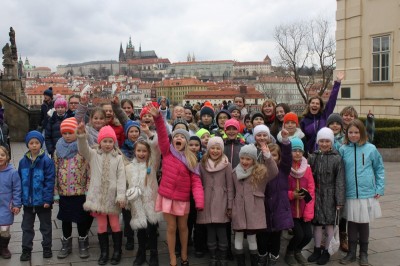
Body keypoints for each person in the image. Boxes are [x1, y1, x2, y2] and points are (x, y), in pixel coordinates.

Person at [148, 103, 204, 266]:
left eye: (182, 137)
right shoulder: (167, 151)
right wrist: (158, 118)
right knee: (171, 228)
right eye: (176, 136)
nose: (178, 139)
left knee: (184, 228)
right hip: (166, 196)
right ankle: (173, 257)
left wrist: (199, 201)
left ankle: (184, 255)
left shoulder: (191, 159)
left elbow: (196, 182)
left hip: (182, 199)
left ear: (186, 141)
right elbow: (163, 135)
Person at [77, 124, 126, 265]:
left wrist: (121, 196)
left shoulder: (118, 158)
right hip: (98, 197)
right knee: (102, 226)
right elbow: (83, 149)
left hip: (113, 198)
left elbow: (121, 178)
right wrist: (81, 136)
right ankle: (104, 252)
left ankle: (117, 252)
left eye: (110, 141)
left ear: (114, 142)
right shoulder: (93, 154)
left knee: (115, 225)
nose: (108, 144)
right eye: (105, 141)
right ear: (100, 141)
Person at [339, 119, 384, 266]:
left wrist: (379, 187)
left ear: (362, 132)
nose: (353, 135)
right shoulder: (343, 149)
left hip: (367, 193)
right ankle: (352, 253)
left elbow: (379, 169)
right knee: (351, 223)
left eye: (356, 132)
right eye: (350, 132)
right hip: (350, 193)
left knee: (364, 223)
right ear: (347, 133)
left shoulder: (371, 149)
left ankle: (363, 253)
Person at [232, 143, 278, 265]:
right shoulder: (234, 172)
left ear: (253, 159)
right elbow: (231, 192)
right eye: (242, 158)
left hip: (253, 210)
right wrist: (230, 208)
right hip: (239, 209)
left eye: (248, 159)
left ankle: (254, 261)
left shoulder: (260, 172)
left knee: (252, 237)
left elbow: (274, 172)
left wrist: (268, 156)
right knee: (238, 235)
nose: (245, 161)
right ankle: (240, 262)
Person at [53, 118, 92, 259]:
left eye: (70, 132)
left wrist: (88, 190)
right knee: (65, 220)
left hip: (80, 191)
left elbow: (89, 170)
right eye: (65, 133)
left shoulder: (82, 148)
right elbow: (55, 171)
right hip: (64, 192)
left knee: (81, 219)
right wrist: (56, 193)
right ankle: (66, 244)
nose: (67, 135)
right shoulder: (58, 149)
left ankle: (83, 242)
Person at [307, 127, 345, 265]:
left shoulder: (337, 158)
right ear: (318, 142)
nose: (324, 144)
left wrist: (339, 200)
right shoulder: (313, 156)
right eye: (321, 141)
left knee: (329, 225)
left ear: (331, 142)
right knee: (316, 225)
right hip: (316, 194)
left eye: (327, 141)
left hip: (330, 195)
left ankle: (326, 251)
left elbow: (340, 180)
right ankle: (317, 249)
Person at [256, 130, 293, 266]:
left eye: (274, 155)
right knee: (262, 236)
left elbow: (288, 157)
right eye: (268, 155)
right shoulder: (260, 169)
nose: (271, 157)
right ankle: (262, 255)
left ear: (279, 157)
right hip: (264, 208)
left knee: (276, 237)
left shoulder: (283, 169)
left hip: (279, 208)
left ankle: (273, 256)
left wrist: (285, 141)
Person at [18, 131, 55, 261]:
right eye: (31, 143)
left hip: (42, 202)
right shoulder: (23, 162)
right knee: (27, 227)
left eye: (37, 143)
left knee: (45, 227)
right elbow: (19, 182)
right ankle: (26, 250)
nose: (34, 145)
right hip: (28, 202)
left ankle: (47, 248)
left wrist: (47, 199)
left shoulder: (46, 161)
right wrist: (19, 200)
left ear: (41, 144)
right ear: (27, 144)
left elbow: (49, 181)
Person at [126, 138, 162, 266]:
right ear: (135, 151)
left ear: (148, 152)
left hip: (151, 202)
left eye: (144, 151)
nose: (141, 153)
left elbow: (157, 150)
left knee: (152, 230)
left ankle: (154, 253)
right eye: (139, 151)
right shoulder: (129, 167)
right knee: (140, 230)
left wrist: (149, 134)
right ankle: (141, 253)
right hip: (137, 204)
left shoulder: (152, 165)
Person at [197, 136, 234, 266]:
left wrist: (230, 206)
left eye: (218, 148)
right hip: (206, 202)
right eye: (212, 148)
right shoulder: (202, 164)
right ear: (208, 149)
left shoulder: (227, 165)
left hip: (222, 202)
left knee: (222, 232)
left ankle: (223, 257)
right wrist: (199, 202)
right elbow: (198, 185)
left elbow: (230, 187)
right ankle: (213, 256)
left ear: (222, 150)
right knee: (210, 232)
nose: (215, 151)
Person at [285, 137, 315, 266]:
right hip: (290, 210)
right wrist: (292, 195)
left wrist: (309, 211)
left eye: (300, 151)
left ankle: (298, 251)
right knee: (299, 235)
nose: (297, 153)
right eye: (294, 150)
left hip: (304, 210)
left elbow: (311, 189)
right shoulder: (286, 167)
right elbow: (281, 189)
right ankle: (289, 252)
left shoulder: (307, 168)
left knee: (308, 236)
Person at [300, 71, 344, 154]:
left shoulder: (324, 116)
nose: (315, 105)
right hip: (311, 154)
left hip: (325, 152)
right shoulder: (304, 121)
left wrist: (337, 83)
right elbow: (302, 139)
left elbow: (332, 100)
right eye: (313, 103)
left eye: (317, 103)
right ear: (309, 105)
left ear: (320, 106)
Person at [0, 146, 21, 259]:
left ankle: (4, 247)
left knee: (4, 228)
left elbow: (17, 189)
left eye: (2, 155)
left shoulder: (12, 172)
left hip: (6, 205)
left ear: (7, 157)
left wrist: (16, 204)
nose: (0, 157)